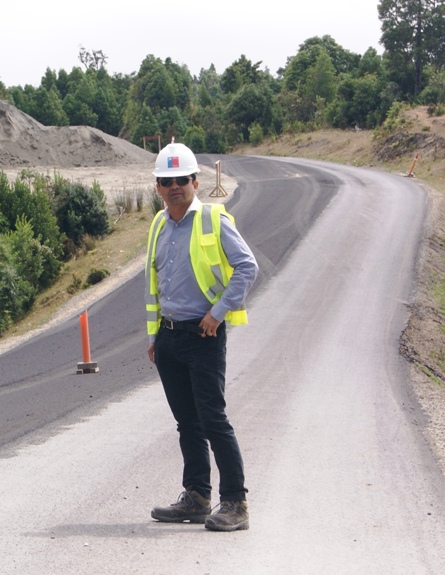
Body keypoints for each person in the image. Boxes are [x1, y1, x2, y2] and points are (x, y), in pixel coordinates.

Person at [145, 141, 259, 532]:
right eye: (166, 181)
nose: (174, 187)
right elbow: (154, 283)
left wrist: (217, 313)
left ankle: (236, 503)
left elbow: (247, 267)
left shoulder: (213, 219)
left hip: (204, 335)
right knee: (187, 423)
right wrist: (154, 337)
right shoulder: (159, 224)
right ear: (158, 187)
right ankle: (196, 496)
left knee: (213, 420)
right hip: (169, 337)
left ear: (195, 182)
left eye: (181, 179)